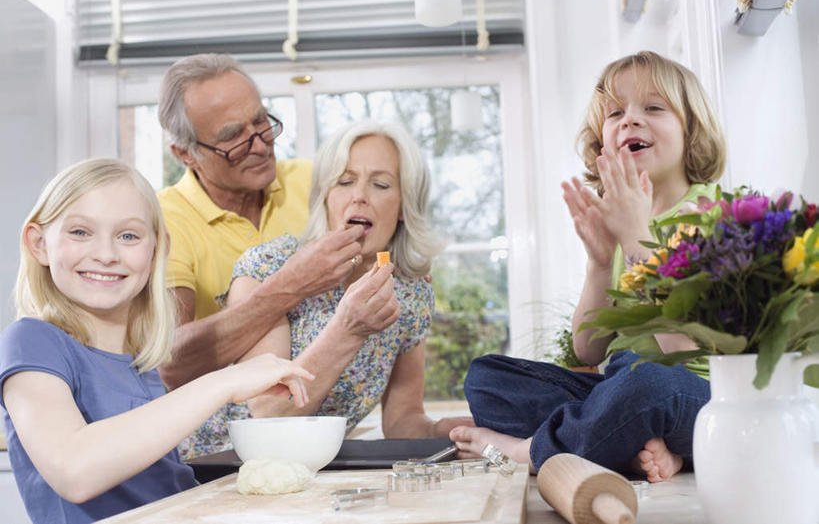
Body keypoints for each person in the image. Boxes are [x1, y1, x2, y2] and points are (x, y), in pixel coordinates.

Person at [449, 51, 726, 482]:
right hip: (620, 390)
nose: (630, 121)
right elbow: (589, 351)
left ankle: (534, 451)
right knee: (488, 377)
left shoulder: (709, 215)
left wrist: (637, 243)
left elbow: (685, 351)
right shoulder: (624, 220)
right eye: (616, 112)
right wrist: (600, 263)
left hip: (696, 399)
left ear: (693, 132)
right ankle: (631, 448)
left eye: (653, 108)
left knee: (646, 383)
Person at [0, 159, 314, 524]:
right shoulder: (31, 342)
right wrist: (224, 383)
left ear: (158, 249)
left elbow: (162, 491)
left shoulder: (140, 364)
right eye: (80, 232)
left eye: (128, 236)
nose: (106, 254)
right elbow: (74, 470)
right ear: (38, 244)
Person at [181, 120, 474, 458]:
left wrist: (449, 430)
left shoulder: (410, 294)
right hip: (210, 468)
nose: (359, 196)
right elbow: (269, 415)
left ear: (405, 206)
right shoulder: (270, 266)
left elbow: (402, 420)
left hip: (309, 474)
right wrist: (347, 330)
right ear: (326, 198)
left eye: (380, 184)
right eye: (344, 181)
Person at [156, 53, 368, 392]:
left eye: (261, 122)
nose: (260, 145)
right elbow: (168, 362)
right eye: (233, 137)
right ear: (185, 153)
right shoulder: (163, 219)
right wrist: (289, 286)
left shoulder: (314, 182)